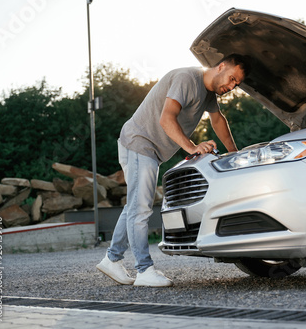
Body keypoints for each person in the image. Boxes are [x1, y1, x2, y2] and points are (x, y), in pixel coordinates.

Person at [96, 54, 251, 287]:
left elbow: (218, 121)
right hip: (139, 142)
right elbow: (166, 119)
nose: (230, 86)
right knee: (141, 208)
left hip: (150, 150)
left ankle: (112, 259)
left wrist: (234, 154)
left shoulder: (208, 93)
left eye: (235, 84)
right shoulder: (187, 78)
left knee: (134, 205)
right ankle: (144, 270)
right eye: (231, 79)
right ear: (220, 67)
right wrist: (193, 147)